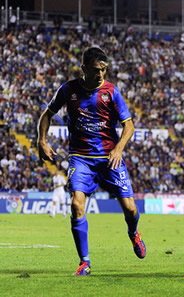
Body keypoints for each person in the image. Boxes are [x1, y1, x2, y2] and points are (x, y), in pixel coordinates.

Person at [37, 47, 146, 276]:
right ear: (84, 68)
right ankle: (84, 262)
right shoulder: (68, 90)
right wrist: (42, 140)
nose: (101, 75)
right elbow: (47, 114)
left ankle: (133, 233)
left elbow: (129, 125)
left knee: (130, 208)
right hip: (81, 158)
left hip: (109, 158)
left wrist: (118, 149)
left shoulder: (112, 91)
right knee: (77, 205)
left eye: (104, 70)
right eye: (97, 70)